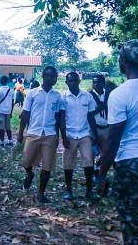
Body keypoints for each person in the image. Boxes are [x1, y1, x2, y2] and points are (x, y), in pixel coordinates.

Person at [97, 40, 138, 244]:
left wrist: (102, 173)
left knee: (132, 225)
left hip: (131, 165)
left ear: (123, 62)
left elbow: (113, 140)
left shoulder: (120, 94)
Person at [17, 66, 65, 203]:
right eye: (48, 75)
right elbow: (25, 114)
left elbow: (58, 118)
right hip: (33, 132)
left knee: (47, 165)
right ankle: (30, 174)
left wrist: (57, 136)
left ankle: (41, 193)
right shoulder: (32, 93)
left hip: (50, 134)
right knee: (26, 161)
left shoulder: (57, 96)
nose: (51, 78)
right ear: (43, 76)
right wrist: (20, 133)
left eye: (54, 76)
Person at [61, 72, 98, 201]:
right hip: (70, 135)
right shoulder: (63, 98)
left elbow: (91, 117)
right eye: (70, 81)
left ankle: (89, 191)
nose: (73, 83)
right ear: (66, 82)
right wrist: (64, 137)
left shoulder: (87, 97)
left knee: (89, 160)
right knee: (68, 162)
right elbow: (61, 118)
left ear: (79, 81)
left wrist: (96, 135)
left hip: (84, 135)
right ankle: (68, 189)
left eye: (75, 80)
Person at [89, 75, 109, 151]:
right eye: (94, 82)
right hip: (93, 128)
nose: (96, 84)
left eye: (98, 82)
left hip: (107, 127)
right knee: (92, 151)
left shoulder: (109, 95)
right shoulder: (89, 96)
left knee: (107, 151)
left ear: (103, 83)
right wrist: (97, 109)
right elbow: (87, 114)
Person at [0, 76, 15, 146]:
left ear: (1, 81)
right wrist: (11, 112)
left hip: (0, 111)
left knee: (1, 127)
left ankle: (2, 141)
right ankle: (10, 140)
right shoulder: (11, 90)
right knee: (8, 127)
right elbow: (12, 102)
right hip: (8, 111)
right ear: (7, 81)